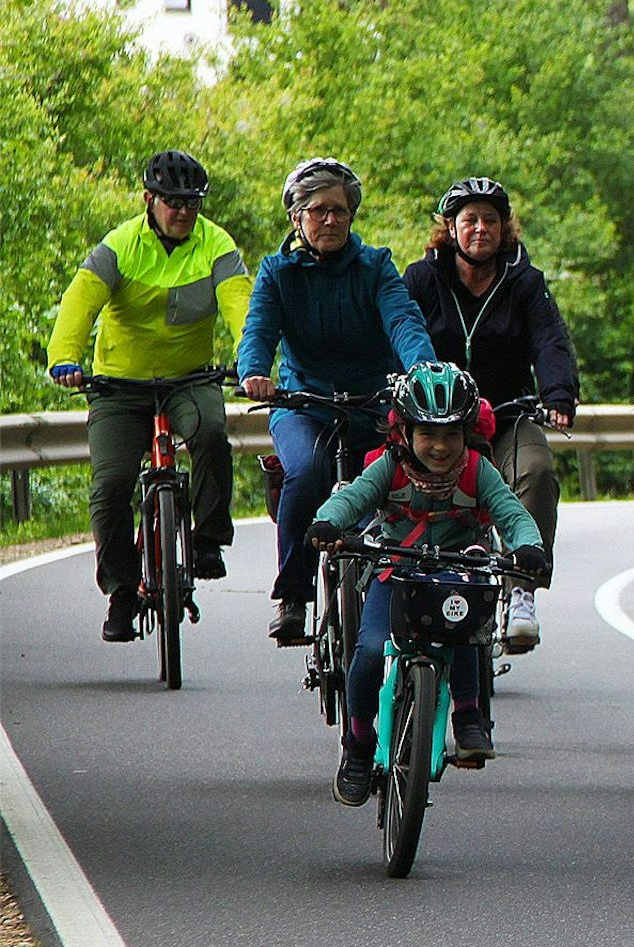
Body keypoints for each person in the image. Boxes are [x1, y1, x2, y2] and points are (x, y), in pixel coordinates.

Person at [307, 362, 546, 806]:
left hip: (457, 571)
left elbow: (512, 513)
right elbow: (353, 497)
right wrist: (328, 522)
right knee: (369, 651)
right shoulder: (389, 468)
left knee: (468, 629)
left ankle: (469, 714)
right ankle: (358, 744)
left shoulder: (478, 471)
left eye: (452, 434)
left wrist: (528, 545)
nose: (440, 446)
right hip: (395, 572)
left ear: (467, 433)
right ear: (404, 432)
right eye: (428, 434)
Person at [46, 151, 250, 641]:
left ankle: (207, 542)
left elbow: (241, 306)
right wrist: (65, 357)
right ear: (148, 200)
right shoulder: (120, 245)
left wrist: (252, 360)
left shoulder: (216, 245)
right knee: (111, 485)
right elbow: (79, 302)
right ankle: (121, 590)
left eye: (192, 203)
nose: (183, 211)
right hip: (119, 385)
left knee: (211, 433)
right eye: (172, 202)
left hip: (188, 379)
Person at [238, 158, 436, 645]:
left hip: (372, 402)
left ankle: (393, 591)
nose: (330, 220)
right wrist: (255, 372)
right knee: (307, 472)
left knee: (388, 488)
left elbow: (403, 320)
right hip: (303, 403)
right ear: (296, 218)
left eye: (340, 211)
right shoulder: (278, 273)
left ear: (351, 216)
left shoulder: (376, 266)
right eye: (318, 211)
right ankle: (293, 596)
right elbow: (259, 330)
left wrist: (423, 368)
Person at [402, 177, 579, 653]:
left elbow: (550, 341)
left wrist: (558, 394)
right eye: (470, 220)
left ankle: (522, 590)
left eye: (490, 220)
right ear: (451, 229)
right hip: (435, 420)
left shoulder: (525, 282)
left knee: (536, 471)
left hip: (506, 414)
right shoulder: (421, 279)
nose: (480, 228)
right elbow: (395, 332)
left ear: (504, 229)